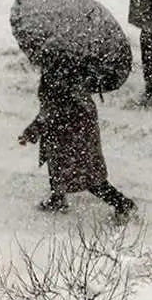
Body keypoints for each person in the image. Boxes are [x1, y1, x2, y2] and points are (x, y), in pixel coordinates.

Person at [18, 60, 135, 221]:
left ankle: (122, 203)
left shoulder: (56, 75)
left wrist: (31, 132)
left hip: (69, 135)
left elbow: (50, 112)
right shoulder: (74, 69)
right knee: (59, 166)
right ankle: (57, 198)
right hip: (78, 131)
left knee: (88, 177)